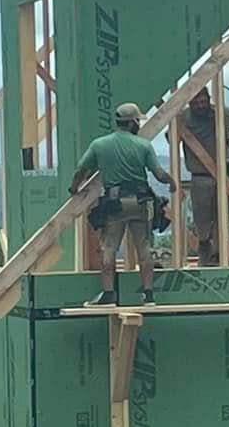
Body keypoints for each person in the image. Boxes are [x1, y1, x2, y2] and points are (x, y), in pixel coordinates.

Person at [69, 101, 177, 305]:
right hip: (138, 202)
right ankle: (148, 294)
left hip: (115, 203)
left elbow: (81, 169)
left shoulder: (99, 145)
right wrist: (171, 183)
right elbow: (159, 173)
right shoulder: (143, 145)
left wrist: (74, 188)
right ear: (133, 122)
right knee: (143, 247)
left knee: (109, 248)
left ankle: (109, 294)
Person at [180, 87, 229, 267]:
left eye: (203, 102)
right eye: (196, 103)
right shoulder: (182, 118)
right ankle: (205, 249)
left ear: (209, 99)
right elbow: (170, 138)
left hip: (224, 172)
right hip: (200, 175)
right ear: (190, 103)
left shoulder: (220, 112)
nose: (200, 106)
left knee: (222, 216)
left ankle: (219, 255)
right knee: (202, 218)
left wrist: (228, 135)